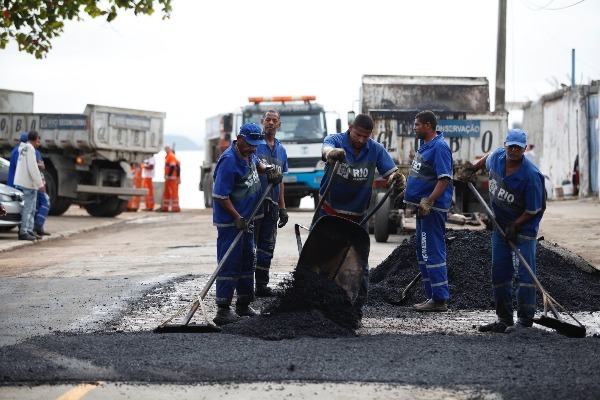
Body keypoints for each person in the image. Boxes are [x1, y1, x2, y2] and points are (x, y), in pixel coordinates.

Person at [458, 128, 546, 333]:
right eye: (510, 146)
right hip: (500, 225)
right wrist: (474, 168)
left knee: (525, 274)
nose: (513, 150)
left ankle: (524, 321)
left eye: (518, 147)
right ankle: (504, 319)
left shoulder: (531, 176)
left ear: (524, 148)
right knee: (499, 272)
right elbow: (488, 157)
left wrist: (516, 224)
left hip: (524, 228)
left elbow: (534, 209)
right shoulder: (498, 157)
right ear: (505, 145)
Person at [319, 113, 405, 318]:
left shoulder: (375, 149)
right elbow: (326, 149)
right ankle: (319, 308)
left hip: (358, 217)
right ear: (350, 128)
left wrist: (396, 178)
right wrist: (332, 154)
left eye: (366, 136)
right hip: (330, 214)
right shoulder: (336, 140)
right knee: (324, 261)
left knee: (359, 266)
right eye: (358, 135)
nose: (361, 140)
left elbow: (390, 172)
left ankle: (355, 311)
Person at [211, 122, 282, 325]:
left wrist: (268, 170)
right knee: (230, 263)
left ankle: (243, 304)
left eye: (255, 145)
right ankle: (223, 309)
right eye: (249, 144)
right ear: (239, 139)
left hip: (248, 218)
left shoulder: (249, 154)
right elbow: (220, 196)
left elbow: (258, 163)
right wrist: (236, 218)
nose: (252, 148)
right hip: (231, 222)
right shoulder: (228, 161)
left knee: (246, 262)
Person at [404, 110, 453, 312]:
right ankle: (431, 296)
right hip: (422, 209)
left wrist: (429, 201)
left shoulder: (440, 147)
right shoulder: (425, 145)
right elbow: (421, 175)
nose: (414, 128)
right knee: (423, 252)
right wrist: (407, 194)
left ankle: (440, 299)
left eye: (417, 124)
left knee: (432, 251)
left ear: (427, 125)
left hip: (432, 209)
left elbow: (444, 178)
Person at [253, 110, 289, 297]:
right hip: (254, 204)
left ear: (279, 125)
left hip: (272, 204)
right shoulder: (254, 145)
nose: (271, 123)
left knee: (267, 247)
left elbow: (281, 182)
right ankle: (245, 288)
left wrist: (282, 207)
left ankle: (261, 285)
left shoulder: (281, 150)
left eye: (275, 120)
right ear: (262, 121)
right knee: (250, 246)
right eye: (268, 119)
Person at [9, 133, 51, 236]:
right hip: (28, 183)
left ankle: (29, 230)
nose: (39, 142)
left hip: (25, 183)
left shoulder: (22, 149)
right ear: (34, 140)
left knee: (30, 208)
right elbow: (33, 169)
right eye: (38, 140)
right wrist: (40, 184)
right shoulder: (30, 150)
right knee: (29, 208)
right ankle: (25, 231)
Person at [159, 146, 181, 212]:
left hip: (171, 178)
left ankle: (175, 208)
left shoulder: (171, 156)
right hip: (170, 178)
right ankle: (165, 207)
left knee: (173, 192)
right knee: (167, 192)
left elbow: (173, 167)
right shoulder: (169, 157)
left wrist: (169, 176)